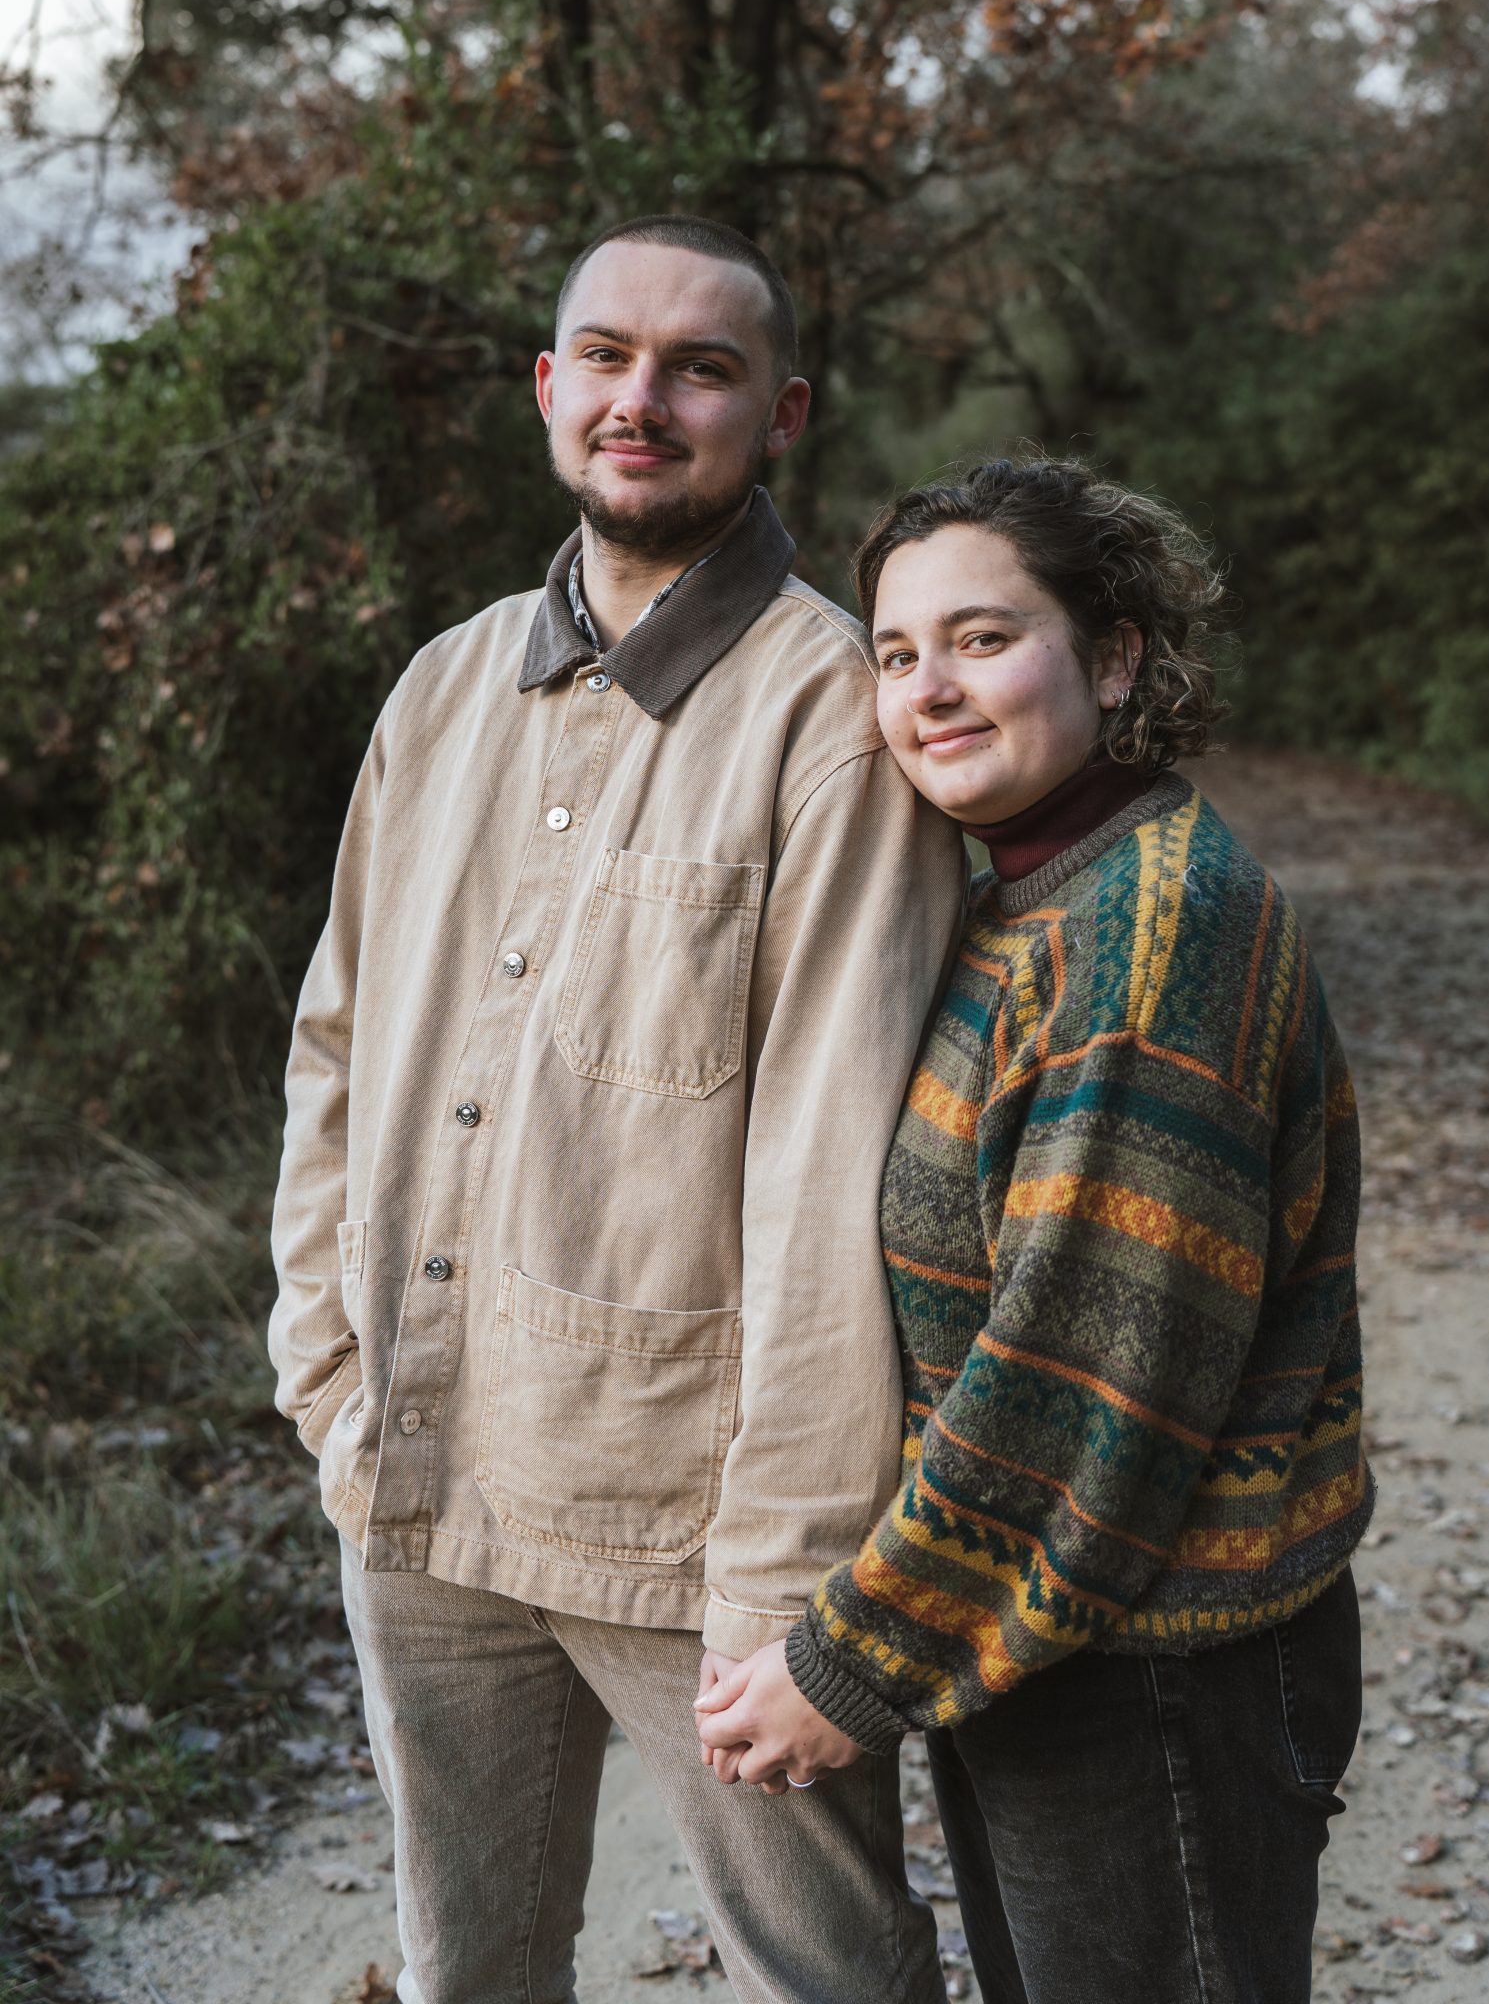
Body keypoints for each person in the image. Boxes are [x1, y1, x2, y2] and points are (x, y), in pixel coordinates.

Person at [268, 214, 967, 2004]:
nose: (639, 400)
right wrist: (325, 1371)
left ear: (781, 412)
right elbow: (335, 1043)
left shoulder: (832, 716)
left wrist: (791, 1572)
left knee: (831, 1977)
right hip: (418, 1473)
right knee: (468, 1970)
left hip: (686, 1521)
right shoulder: (444, 686)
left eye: (700, 368)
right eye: (605, 356)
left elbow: (830, 1171)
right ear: (548, 385)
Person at [696, 456, 1374, 2004]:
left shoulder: (1150, 937)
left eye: (984, 638)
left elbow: (1085, 1387)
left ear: (1117, 658)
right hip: (1054, 1635)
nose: (929, 689)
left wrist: (853, 1661)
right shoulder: (1030, 898)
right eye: (896, 653)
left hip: (1158, 1672)